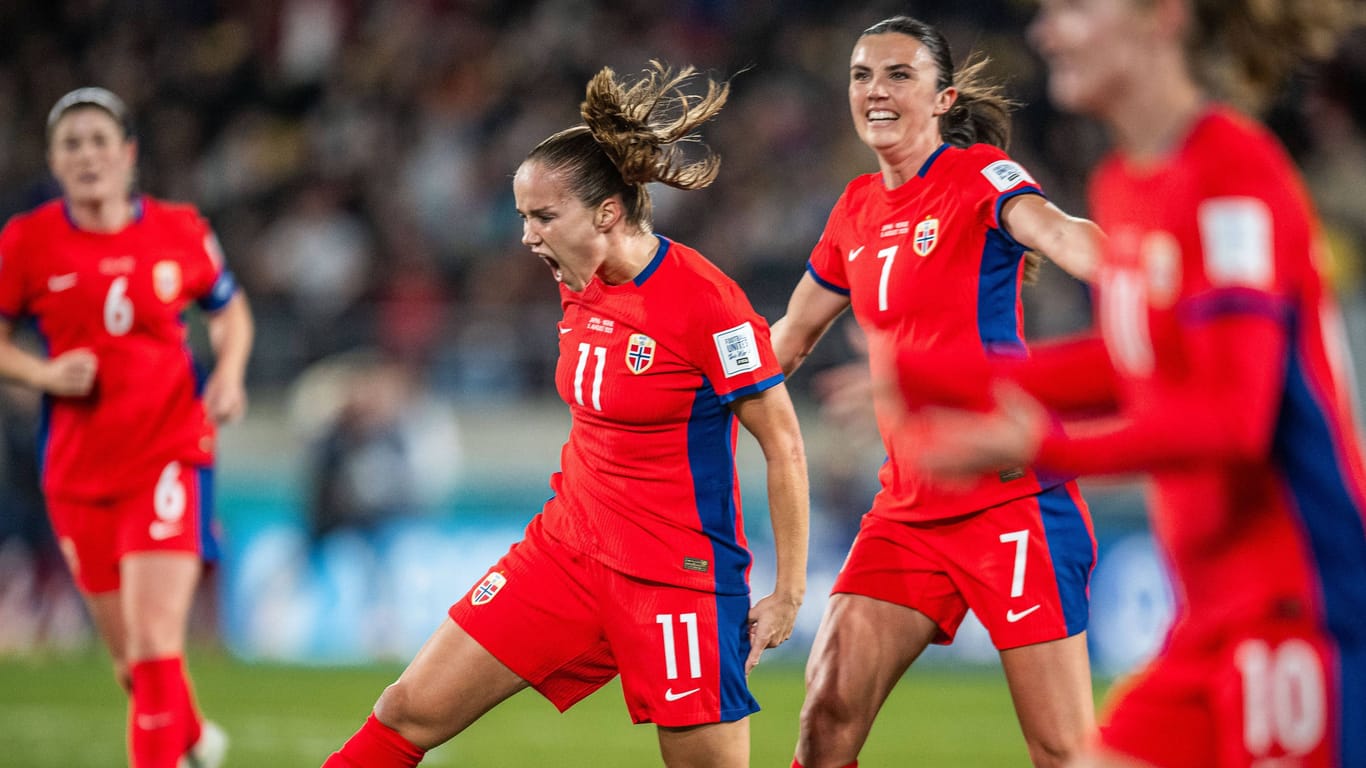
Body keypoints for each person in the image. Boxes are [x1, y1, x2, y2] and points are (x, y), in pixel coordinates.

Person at [891, 1, 1366, 766]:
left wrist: (1049, 448)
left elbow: (1233, 418)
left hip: (1297, 609)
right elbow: (1130, 363)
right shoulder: (1126, 183)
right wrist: (936, 372)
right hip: (1210, 620)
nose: (1046, 32)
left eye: (1073, 8)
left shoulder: (1231, 173)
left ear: (1162, 18)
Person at [322, 62, 809, 768]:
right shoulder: (577, 282)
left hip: (675, 577)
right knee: (406, 711)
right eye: (524, 216)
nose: (527, 236)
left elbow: (785, 445)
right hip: (567, 552)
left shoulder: (706, 303)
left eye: (543, 216)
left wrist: (789, 592)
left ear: (608, 213)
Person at [770, 16, 1108, 768]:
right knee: (826, 718)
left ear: (943, 98)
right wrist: (687, 388)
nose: (876, 90)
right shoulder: (854, 208)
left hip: (1010, 498)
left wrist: (1140, 273)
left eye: (898, 75)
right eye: (861, 75)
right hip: (908, 511)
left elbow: (1055, 231)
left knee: (1063, 750)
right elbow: (788, 337)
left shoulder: (976, 174)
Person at [0, 87, 253, 767]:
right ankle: (196, 740)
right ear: (54, 161)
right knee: (132, 667)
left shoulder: (180, 228)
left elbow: (230, 312)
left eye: (99, 141)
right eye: (71, 143)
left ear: (128, 154)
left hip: (170, 450)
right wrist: (43, 375)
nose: (87, 155)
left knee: (152, 644)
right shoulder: (26, 242)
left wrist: (228, 374)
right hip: (78, 469)